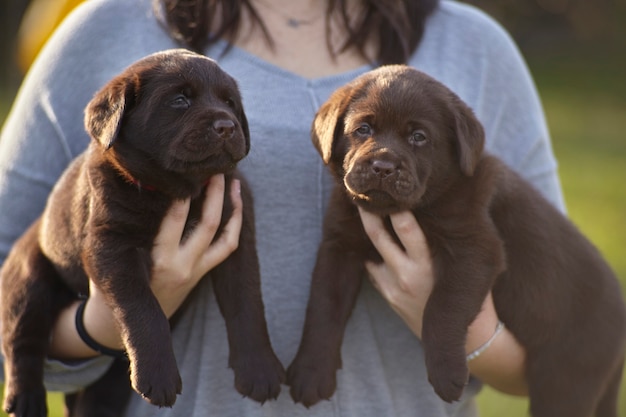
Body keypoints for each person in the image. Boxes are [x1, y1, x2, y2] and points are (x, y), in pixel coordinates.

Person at [0, 0, 566, 415]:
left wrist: (462, 326)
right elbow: (13, 274)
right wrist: (102, 324)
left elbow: (561, 331)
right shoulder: (106, 28)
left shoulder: (474, 46)